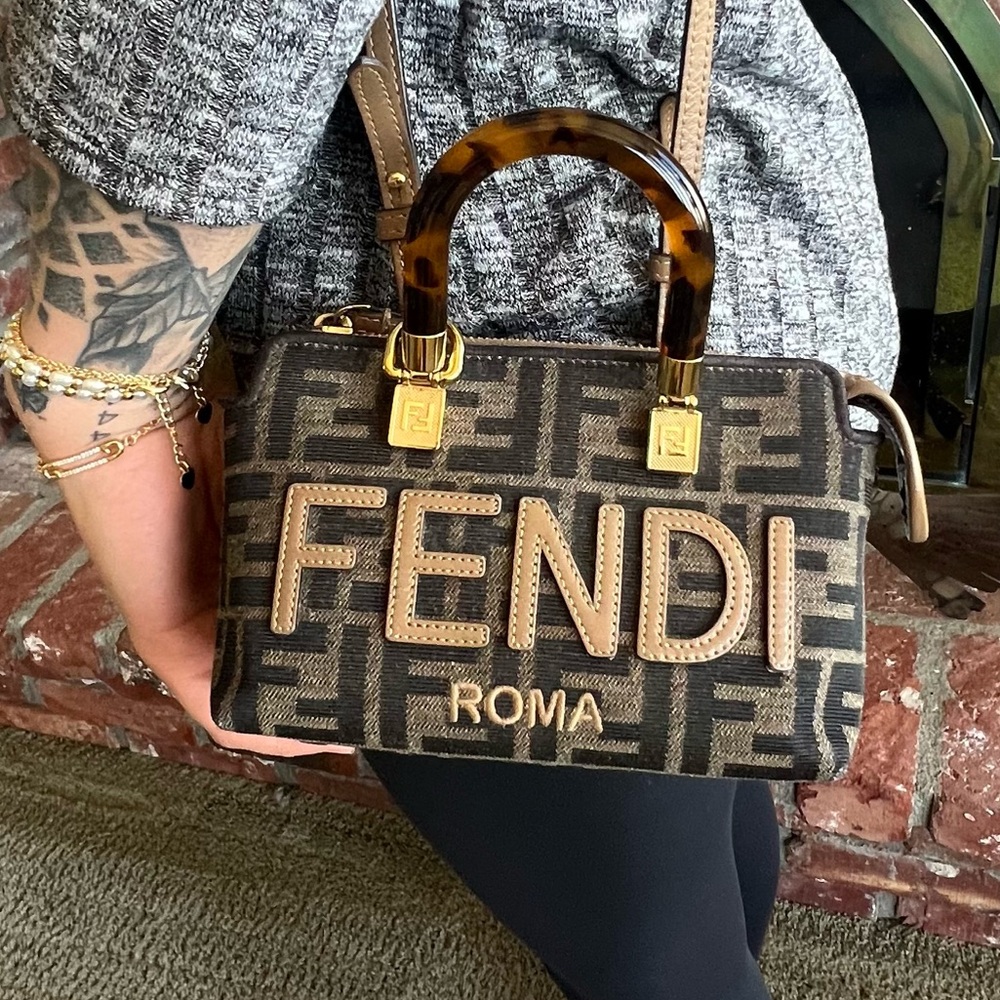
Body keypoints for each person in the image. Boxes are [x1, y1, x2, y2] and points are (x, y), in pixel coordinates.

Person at [0, 1, 898, 998]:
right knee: (690, 834)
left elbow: (197, 83)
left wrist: (150, 555)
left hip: (469, 406)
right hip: (764, 279)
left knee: (653, 955)